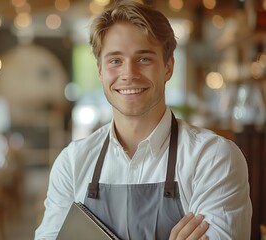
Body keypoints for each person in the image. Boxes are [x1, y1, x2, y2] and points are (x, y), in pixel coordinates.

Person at [34, 0, 252, 239]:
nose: (129, 74)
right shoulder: (72, 164)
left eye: (144, 59)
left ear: (168, 67)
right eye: (115, 61)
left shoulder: (212, 159)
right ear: (100, 71)